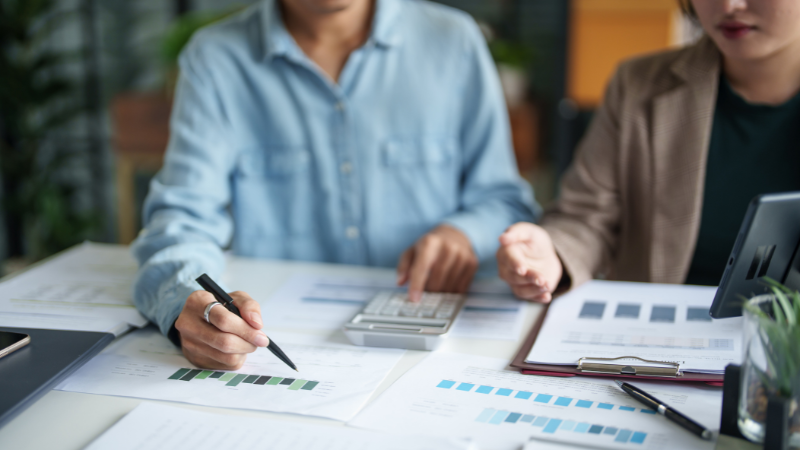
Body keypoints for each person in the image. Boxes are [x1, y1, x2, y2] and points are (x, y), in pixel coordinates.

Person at [132, 0, 536, 370]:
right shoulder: (215, 57)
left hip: (440, 347)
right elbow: (184, 218)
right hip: (279, 345)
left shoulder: (453, 40)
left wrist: (463, 234)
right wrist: (186, 297)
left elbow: (504, 201)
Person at [497, 0, 800, 302]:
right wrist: (552, 254)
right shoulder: (638, 85)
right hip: (659, 334)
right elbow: (586, 217)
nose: (729, 5)